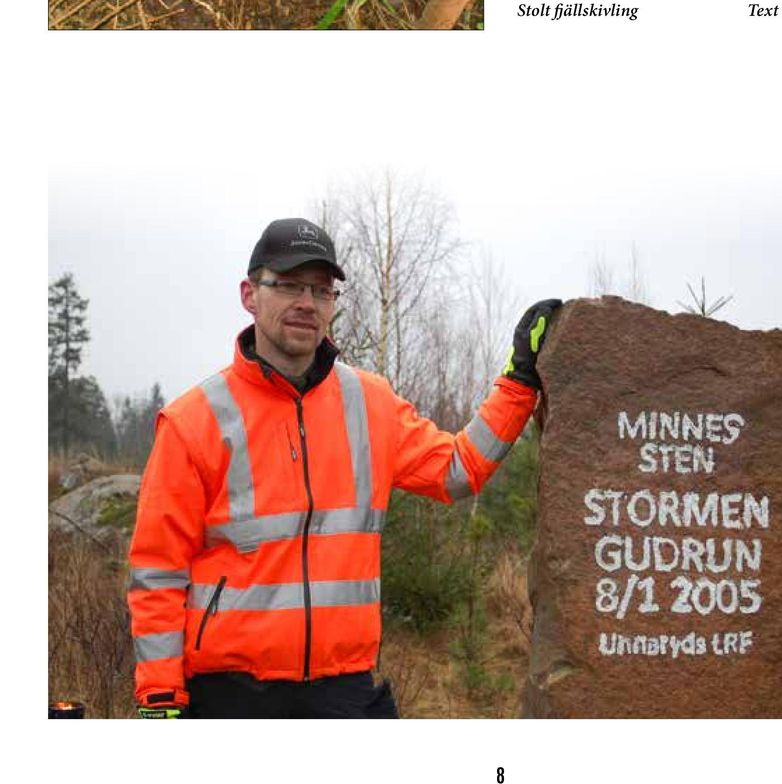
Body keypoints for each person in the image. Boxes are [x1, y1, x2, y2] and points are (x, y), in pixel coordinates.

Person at [127, 218, 560, 719]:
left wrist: (519, 382)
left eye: (320, 289)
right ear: (250, 294)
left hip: (343, 691)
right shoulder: (192, 421)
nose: (307, 302)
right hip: (228, 696)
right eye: (288, 285)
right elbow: (157, 571)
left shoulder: (370, 402)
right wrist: (160, 698)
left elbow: (457, 469)